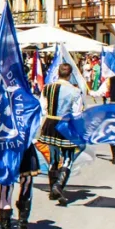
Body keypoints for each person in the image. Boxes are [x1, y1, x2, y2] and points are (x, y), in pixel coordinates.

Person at [37, 62, 84, 206]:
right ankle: (58, 186)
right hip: (66, 125)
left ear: (58, 73)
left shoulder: (47, 88)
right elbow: (77, 113)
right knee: (68, 159)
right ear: (70, 75)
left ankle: (53, 189)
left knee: (54, 158)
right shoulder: (75, 91)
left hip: (50, 123)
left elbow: (43, 108)